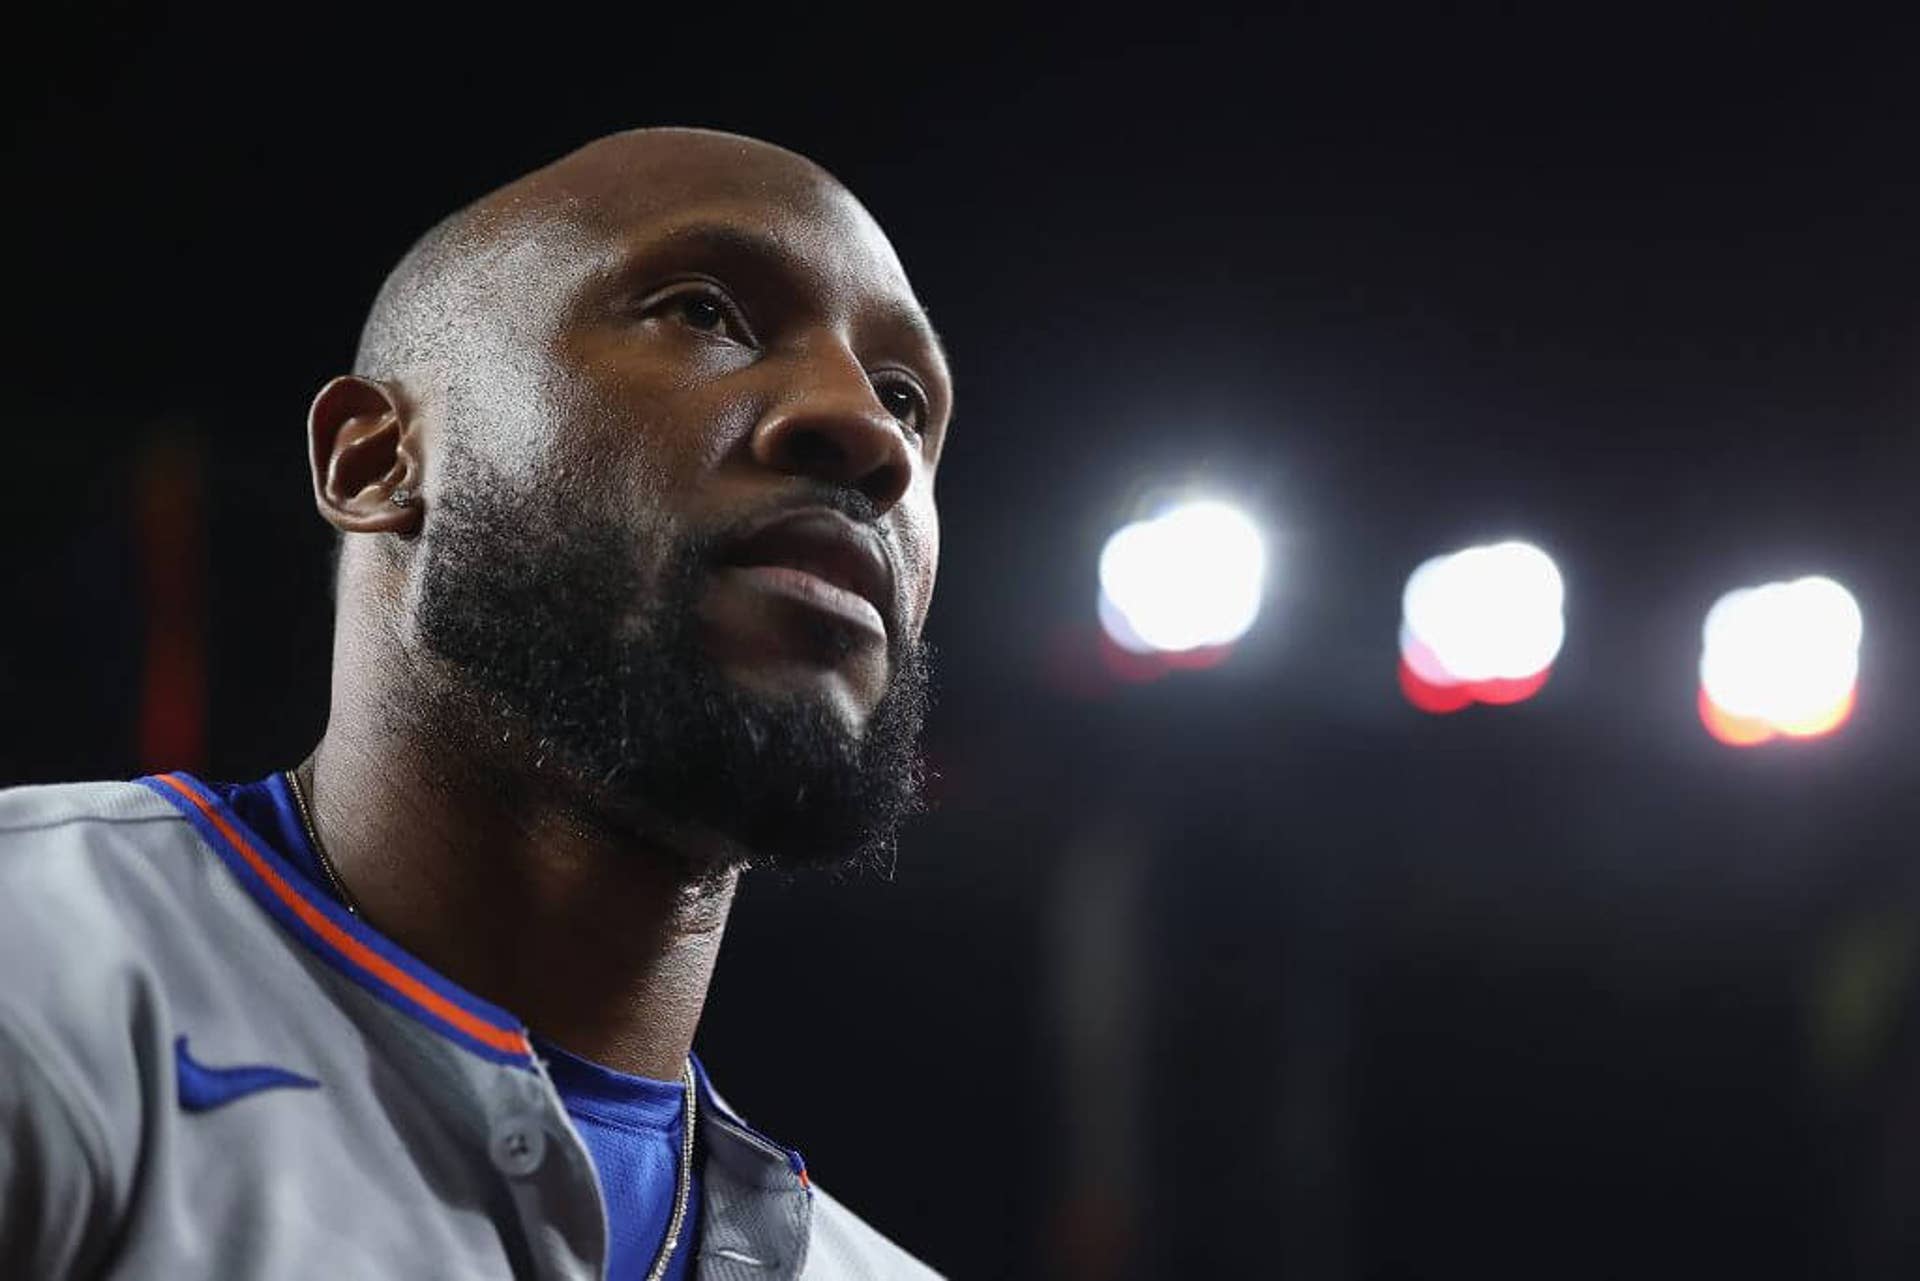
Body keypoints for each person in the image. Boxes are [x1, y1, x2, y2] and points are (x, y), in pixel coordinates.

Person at [0, 127, 952, 1279]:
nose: (869, 435)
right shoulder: (40, 964)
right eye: (704, 312)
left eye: (905, 398)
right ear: (375, 462)